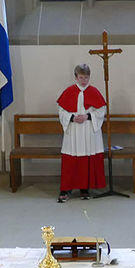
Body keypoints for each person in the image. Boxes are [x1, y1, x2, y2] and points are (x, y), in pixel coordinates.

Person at [56, 64, 106, 202]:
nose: (84, 80)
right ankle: (65, 190)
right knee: (71, 159)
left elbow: (101, 111)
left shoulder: (94, 91)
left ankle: (85, 188)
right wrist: (72, 117)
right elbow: (61, 111)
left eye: (86, 77)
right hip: (73, 130)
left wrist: (88, 116)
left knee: (87, 158)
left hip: (88, 129)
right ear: (76, 77)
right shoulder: (69, 91)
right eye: (81, 77)